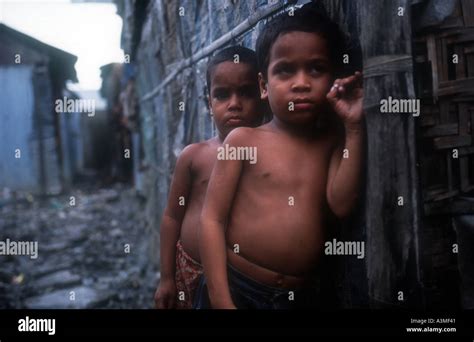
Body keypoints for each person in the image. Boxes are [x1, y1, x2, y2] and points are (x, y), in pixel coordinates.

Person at [198, 4, 364, 309]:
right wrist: (220, 298)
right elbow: (211, 219)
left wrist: (353, 128)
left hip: (302, 297)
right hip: (238, 288)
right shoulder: (244, 140)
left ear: (333, 78)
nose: (301, 83)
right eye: (285, 70)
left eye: (316, 69)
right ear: (264, 85)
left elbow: (340, 204)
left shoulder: (331, 140)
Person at [154, 46, 264, 309]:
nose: (234, 104)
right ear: (208, 103)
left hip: (245, 283)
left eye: (246, 92)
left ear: (263, 93)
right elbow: (171, 217)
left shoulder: (270, 155)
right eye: (222, 95)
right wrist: (166, 278)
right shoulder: (195, 156)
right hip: (191, 271)